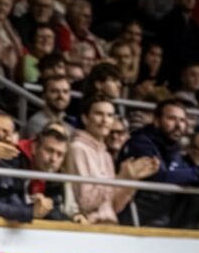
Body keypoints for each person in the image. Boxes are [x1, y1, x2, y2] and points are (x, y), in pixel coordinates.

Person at [119, 98, 199, 226]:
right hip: (137, 220)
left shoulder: (173, 148)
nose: (178, 125)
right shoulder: (141, 143)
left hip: (164, 220)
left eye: (182, 120)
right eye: (171, 119)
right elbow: (160, 178)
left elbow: (190, 178)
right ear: (156, 121)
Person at [64, 96, 158, 224]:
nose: (105, 120)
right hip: (88, 227)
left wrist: (131, 179)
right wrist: (119, 178)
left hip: (110, 224)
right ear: (85, 118)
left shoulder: (106, 154)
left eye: (109, 115)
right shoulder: (78, 148)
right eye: (99, 114)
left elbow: (114, 206)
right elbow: (85, 203)